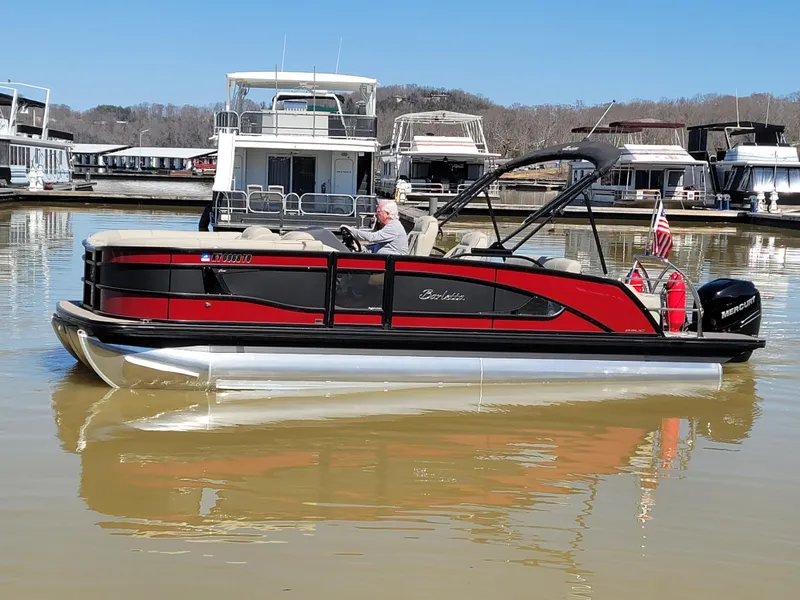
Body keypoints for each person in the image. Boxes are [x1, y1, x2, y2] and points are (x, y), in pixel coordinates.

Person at [342, 199, 408, 255]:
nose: (376, 215)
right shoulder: (387, 227)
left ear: (387, 214)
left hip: (391, 265)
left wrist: (352, 231)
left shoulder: (394, 226)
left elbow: (372, 237)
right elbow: (375, 247)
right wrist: (359, 247)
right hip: (382, 263)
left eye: (379, 212)